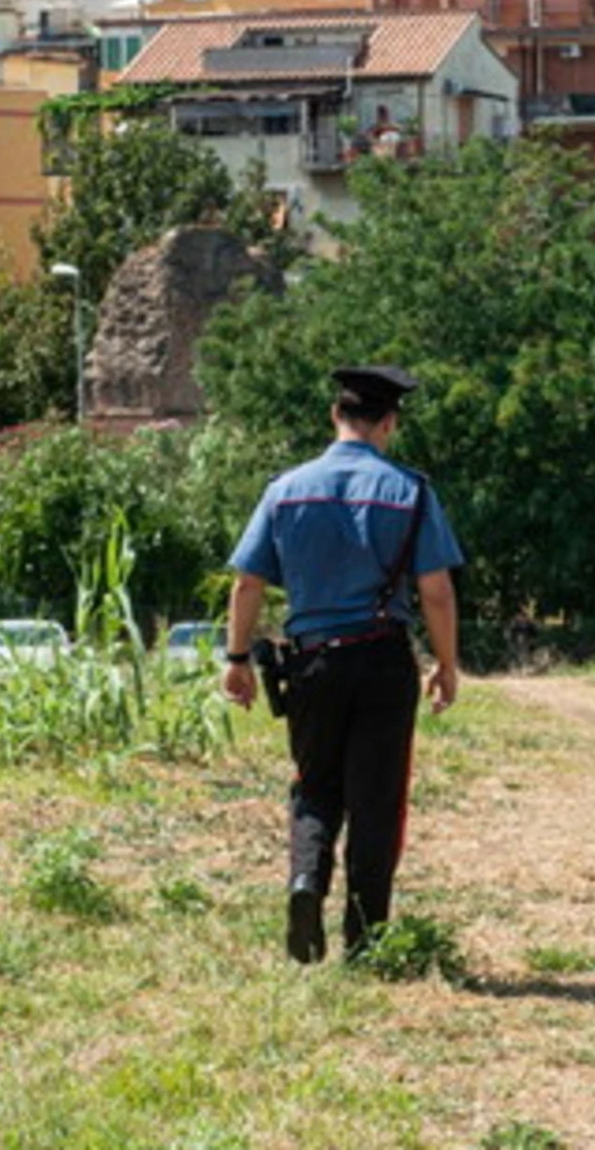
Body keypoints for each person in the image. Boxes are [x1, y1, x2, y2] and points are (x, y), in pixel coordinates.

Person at [222, 364, 464, 964]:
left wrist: (235, 658)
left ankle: (306, 882)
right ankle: (365, 936)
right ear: (390, 423)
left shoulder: (286, 489)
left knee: (315, 786)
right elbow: (435, 590)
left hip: (311, 664)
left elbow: (248, 583)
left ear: (336, 416)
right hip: (383, 660)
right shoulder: (411, 491)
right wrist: (447, 663)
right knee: (377, 800)